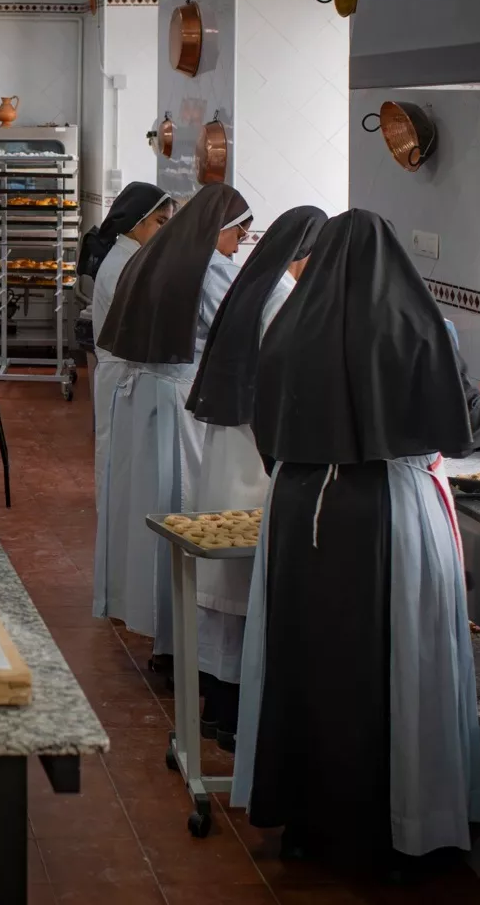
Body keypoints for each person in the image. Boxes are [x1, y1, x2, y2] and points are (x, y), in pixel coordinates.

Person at [233, 210, 480, 877]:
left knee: (305, 658)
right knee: (392, 660)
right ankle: (396, 827)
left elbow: (265, 424)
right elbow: (466, 428)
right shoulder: (415, 325)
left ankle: (306, 822)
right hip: (389, 509)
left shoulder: (288, 325)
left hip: (300, 508)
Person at [183, 206, 328, 750]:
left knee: (231, 599)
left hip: (230, 450)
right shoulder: (284, 300)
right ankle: (237, 718)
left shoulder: (254, 287)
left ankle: (220, 710)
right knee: (247, 596)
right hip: (254, 459)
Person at [92, 183, 252, 665]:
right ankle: (176, 634)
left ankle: (156, 622)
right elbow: (236, 330)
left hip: (143, 397)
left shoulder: (154, 254)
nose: (237, 247)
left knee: (146, 507)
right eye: (238, 235)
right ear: (219, 230)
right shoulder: (211, 268)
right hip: (178, 401)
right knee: (180, 510)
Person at [89, 183, 174, 495]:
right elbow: (140, 323)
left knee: (126, 456)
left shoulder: (133, 257)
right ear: (137, 222)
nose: (165, 231)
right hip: (121, 374)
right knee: (118, 456)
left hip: (126, 373)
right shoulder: (123, 265)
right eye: (160, 222)